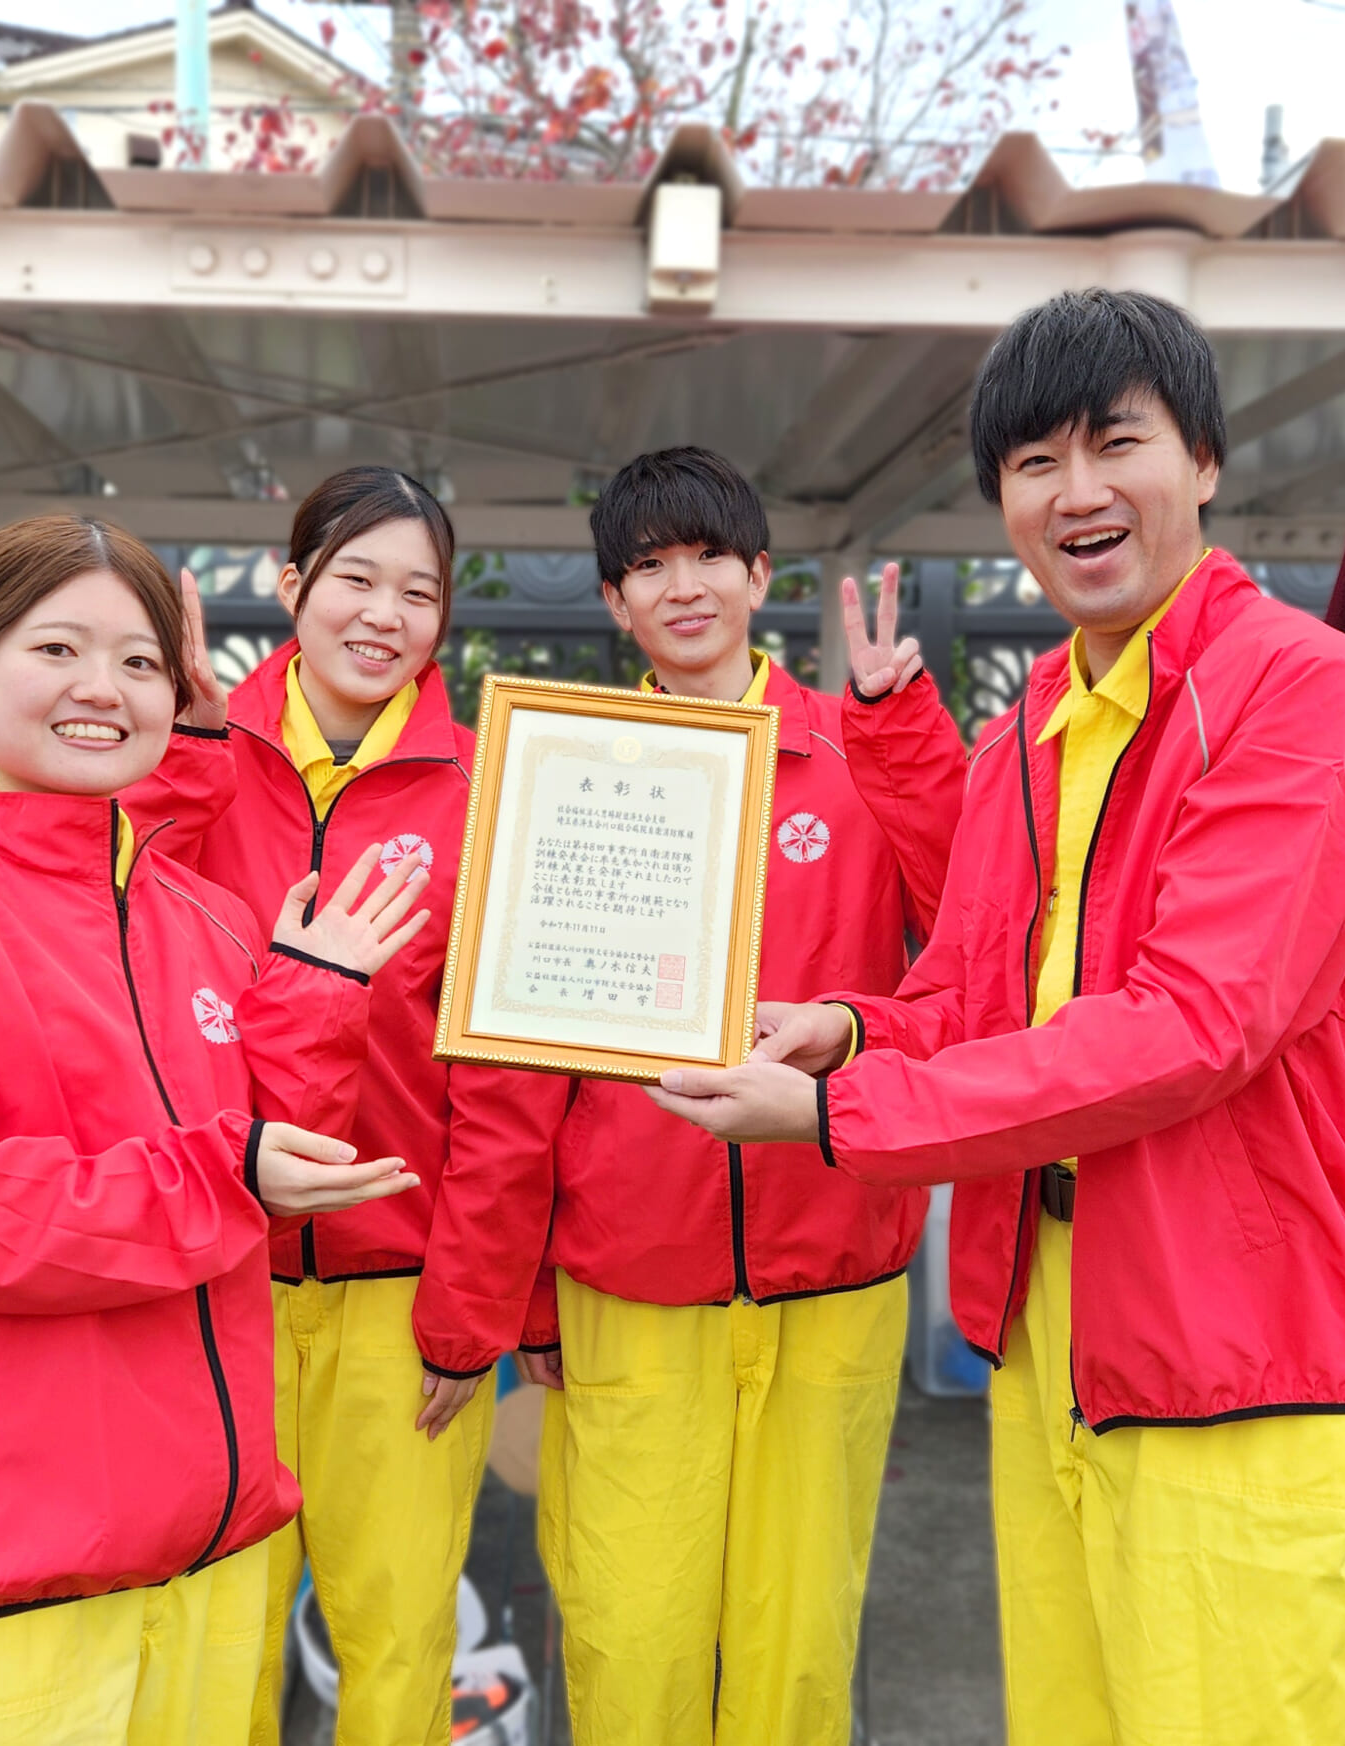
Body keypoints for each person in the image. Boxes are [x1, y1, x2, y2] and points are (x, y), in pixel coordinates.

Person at [647, 291, 1345, 1745]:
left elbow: (1196, 1022)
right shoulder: (1033, 727)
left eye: (1114, 444)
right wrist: (843, 1027)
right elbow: (972, 997)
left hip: (1242, 1358)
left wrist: (841, 1115)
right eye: (1032, 463)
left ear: (1202, 460)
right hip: (1049, 1339)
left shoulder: (1303, 697)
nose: (1074, 493)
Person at [0, 515, 436, 1745]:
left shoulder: (203, 914)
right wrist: (220, 1169)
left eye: (138, 663)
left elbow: (259, 1162)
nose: (100, 690)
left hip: (202, 1547)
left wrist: (316, 993)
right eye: (56, 647)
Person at [507, 448, 970, 1745]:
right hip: (628, 1275)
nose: (683, 584)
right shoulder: (572, 772)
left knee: (797, 1639)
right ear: (614, 602)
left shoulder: (866, 743)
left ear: (760, 573)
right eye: (647, 565)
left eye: (708, 553)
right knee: (629, 1629)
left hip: (832, 1266)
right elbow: (518, 1065)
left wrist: (907, 733)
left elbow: (977, 937)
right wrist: (530, 1278)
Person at [138, 467, 550, 1746]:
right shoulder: (189, 751)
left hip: (399, 1288)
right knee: (209, 1640)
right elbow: (128, 971)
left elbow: (510, 1083)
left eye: (417, 592)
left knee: (397, 1641)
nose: (384, 616)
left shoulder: (492, 788)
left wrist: (469, 1311)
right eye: (356, 579)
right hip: (216, 1283)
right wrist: (190, 757)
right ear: (291, 586)